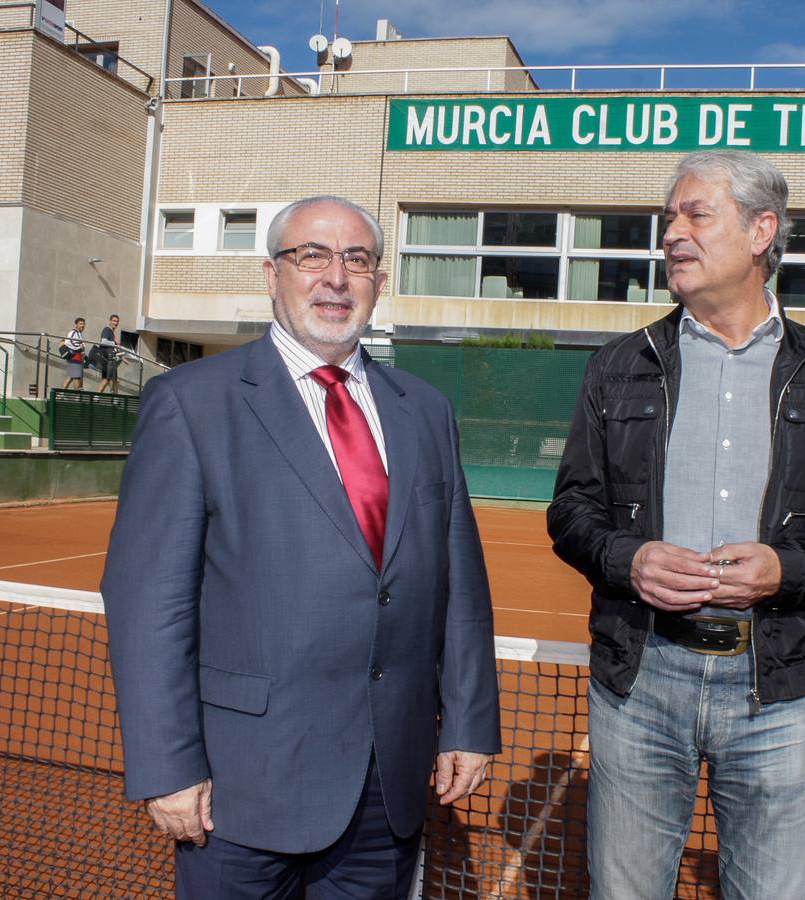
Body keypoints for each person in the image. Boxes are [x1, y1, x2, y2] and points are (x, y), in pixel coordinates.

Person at [101, 195, 500, 899]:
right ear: (271, 273)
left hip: (388, 783)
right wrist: (167, 766)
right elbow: (148, 603)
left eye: (357, 260)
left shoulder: (424, 410)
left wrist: (467, 721)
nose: (335, 278)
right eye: (311, 255)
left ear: (379, 279)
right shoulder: (192, 402)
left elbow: (458, 585)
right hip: (240, 787)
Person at [546, 150, 805, 900]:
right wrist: (625, 559)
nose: (671, 233)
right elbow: (572, 511)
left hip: (776, 689)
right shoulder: (615, 367)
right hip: (638, 681)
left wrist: (786, 571)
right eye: (667, 218)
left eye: (694, 214)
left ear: (760, 231)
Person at [98, 313, 122, 393]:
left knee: (114, 380)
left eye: (117, 321)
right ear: (110, 321)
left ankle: (114, 399)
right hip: (108, 359)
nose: (116, 323)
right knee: (107, 379)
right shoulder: (107, 330)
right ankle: (95, 397)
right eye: (114, 321)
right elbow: (103, 341)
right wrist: (114, 343)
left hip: (112, 359)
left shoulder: (112, 333)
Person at [62, 317, 86, 390]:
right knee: (76, 377)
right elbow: (68, 342)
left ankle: (60, 394)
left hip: (77, 357)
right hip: (74, 357)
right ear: (76, 325)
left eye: (83, 324)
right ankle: (76, 396)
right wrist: (80, 346)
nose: (82, 325)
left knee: (71, 376)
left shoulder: (79, 333)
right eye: (80, 324)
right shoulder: (73, 332)